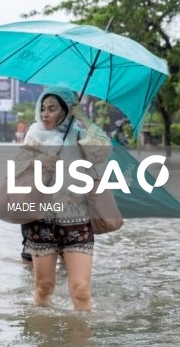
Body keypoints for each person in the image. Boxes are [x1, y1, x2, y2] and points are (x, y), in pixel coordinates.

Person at [17, 85, 111, 311]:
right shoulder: (34, 134)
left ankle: (82, 333)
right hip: (42, 220)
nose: (45, 114)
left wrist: (83, 119)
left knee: (81, 290)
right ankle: (42, 330)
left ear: (66, 111)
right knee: (44, 287)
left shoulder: (80, 135)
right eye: (43, 108)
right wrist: (39, 162)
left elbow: (103, 151)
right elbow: (17, 169)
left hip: (77, 220)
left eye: (52, 109)